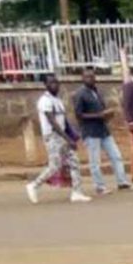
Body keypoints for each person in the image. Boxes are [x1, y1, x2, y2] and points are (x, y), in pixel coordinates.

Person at [25, 74, 91, 204]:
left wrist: (72, 135)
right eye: (51, 83)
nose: (55, 85)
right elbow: (53, 122)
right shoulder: (45, 101)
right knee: (54, 166)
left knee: (74, 162)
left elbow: (63, 121)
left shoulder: (58, 100)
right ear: (45, 85)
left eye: (56, 82)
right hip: (52, 137)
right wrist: (68, 139)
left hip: (62, 136)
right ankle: (34, 185)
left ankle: (77, 192)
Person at [73, 68, 132, 194]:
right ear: (82, 79)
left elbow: (102, 110)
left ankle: (122, 181)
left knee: (116, 156)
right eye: (87, 77)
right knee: (95, 161)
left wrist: (107, 115)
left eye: (92, 76)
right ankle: (99, 186)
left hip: (103, 130)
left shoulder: (97, 92)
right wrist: (98, 115)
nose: (90, 79)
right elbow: (79, 115)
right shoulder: (80, 94)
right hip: (91, 131)